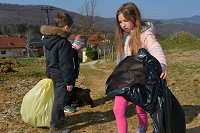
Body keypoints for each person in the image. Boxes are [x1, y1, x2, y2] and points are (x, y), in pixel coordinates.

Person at [113, 2, 167, 133]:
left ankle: (142, 127)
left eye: (126, 20)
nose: (123, 24)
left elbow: (155, 48)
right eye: (120, 22)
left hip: (140, 79)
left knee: (140, 108)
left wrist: (162, 64)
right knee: (118, 109)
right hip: (124, 79)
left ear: (135, 18)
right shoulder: (125, 37)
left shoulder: (145, 34)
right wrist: (116, 73)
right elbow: (121, 59)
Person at [40, 12, 75, 133]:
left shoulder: (49, 40)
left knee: (57, 98)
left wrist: (48, 73)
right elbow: (66, 64)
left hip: (53, 73)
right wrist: (69, 81)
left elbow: (48, 59)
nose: (70, 30)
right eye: (70, 28)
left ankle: (60, 120)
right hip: (61, 76)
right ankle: (54, 127)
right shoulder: (63, 43)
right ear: (66, 27)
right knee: (60, 101)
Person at [63, 35, 88, 113]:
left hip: (71, 76)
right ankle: (65, 106)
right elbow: (70, 67)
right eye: (83, 46)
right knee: (68, 90)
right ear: (81, 44)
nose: (82, 49)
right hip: (69, 76)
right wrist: (69, 80)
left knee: (71, 90)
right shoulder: (72, 52)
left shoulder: (74, 51)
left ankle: (69, 103)